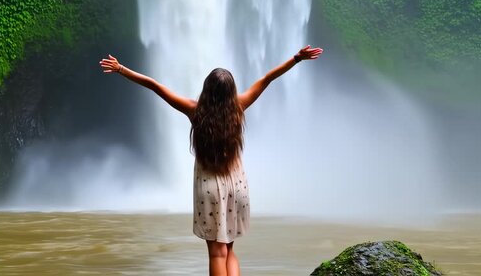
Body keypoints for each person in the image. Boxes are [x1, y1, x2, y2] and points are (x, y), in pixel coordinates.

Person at [99, 45, 323, 276]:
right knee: (230, 250)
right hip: (237, 187)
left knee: (217, 253)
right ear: (231, 92)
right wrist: (296, 58)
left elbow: (155, 86)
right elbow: (267, 78)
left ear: (207, 90)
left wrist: (121, 69)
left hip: (210, 190)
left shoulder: (194, 111)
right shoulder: (239, 106)